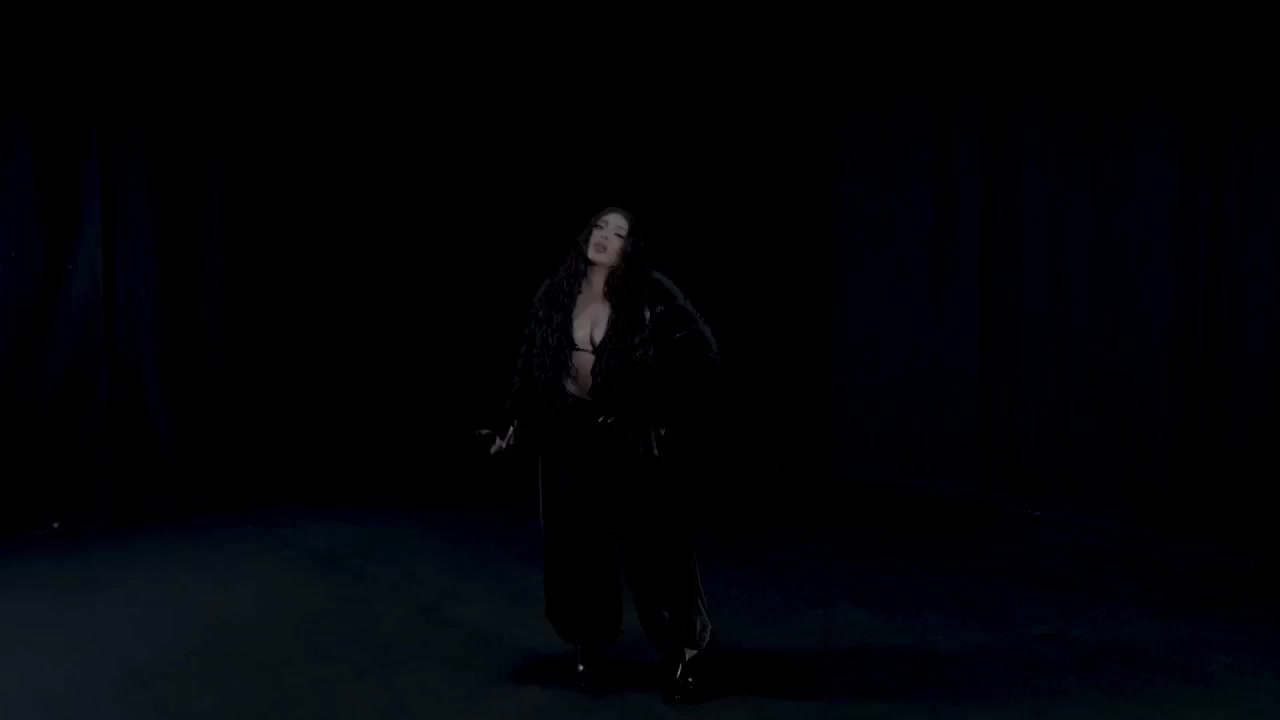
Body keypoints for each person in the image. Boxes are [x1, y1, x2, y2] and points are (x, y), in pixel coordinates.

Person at [484, 207, 720, 703]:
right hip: (568, 433)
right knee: (577, 548)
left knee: (656, 547)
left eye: (618, 233)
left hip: (628, 433)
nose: (605, 238)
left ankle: (684, 654)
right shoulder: (557, 291)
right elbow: (530, 363)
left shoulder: (652, 293)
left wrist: (655, 409)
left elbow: (699, 354)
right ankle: (587, 645)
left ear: (630, 247)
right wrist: (514, 420)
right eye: (600, 228)